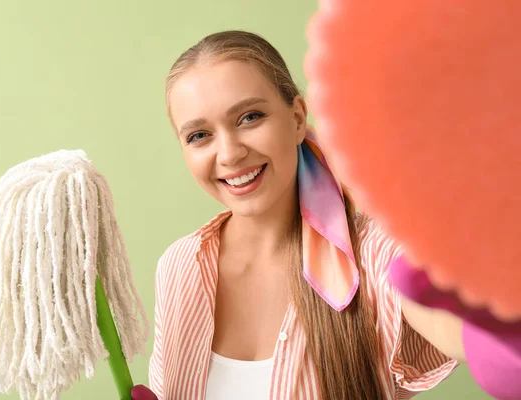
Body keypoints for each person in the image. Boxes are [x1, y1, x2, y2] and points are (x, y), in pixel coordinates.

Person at [144, 30, 467, 400]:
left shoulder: (374, 254)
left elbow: (476, 332)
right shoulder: (181, 265)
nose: (230, 154)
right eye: (199, 135)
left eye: (250, 117)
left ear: (297, 118)